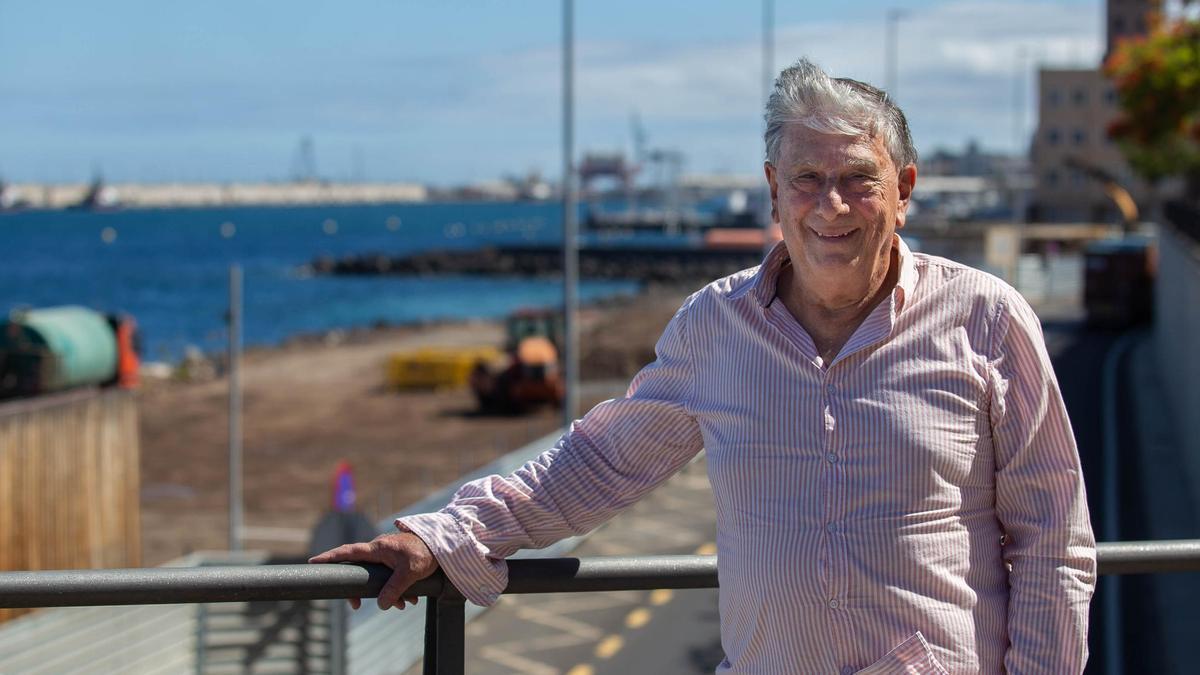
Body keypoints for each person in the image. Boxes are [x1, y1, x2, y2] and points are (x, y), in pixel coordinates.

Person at [311, 58, 1096, 673]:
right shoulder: (718, 327)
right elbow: (599, 460)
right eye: (807, 180)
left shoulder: (988, 318)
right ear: (772, 191)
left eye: (859, 180)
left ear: (904, 191)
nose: (831, 206)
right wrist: (448, 533)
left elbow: (1053, 539)